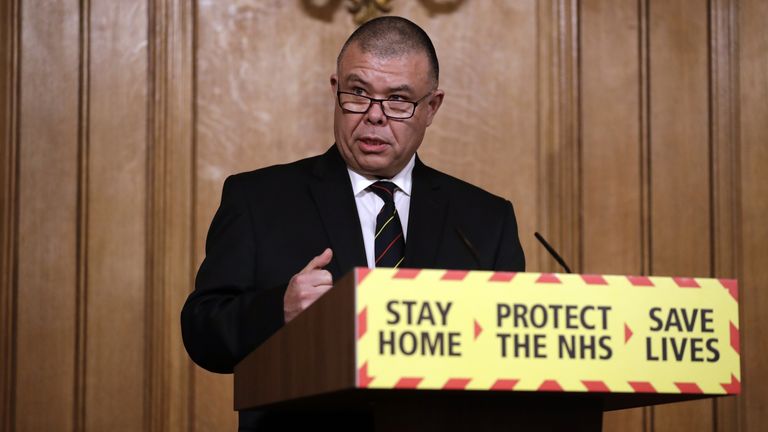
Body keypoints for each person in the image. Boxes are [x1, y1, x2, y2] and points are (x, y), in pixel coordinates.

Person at [181, 15, 525, 431]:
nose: (374, 116)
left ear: (431, 107)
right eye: (358, 93)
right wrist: (279, 310)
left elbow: (512, 355)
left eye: (399, 99)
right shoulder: (259, 199)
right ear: (335, 90)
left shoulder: (485, 220)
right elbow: (202, 331)